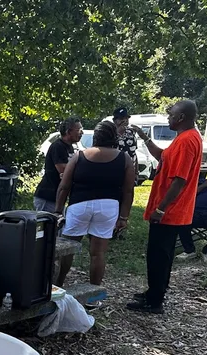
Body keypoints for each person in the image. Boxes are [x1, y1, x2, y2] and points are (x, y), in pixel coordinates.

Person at [127, 100, 203, 314]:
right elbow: (163, 157)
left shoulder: (187, 141)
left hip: (171, 211)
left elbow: (179, 179)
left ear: (181, 118)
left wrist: (160, 209)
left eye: (172, 114)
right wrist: (144, 138)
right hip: (172, 210)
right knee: (162, 254)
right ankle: (155, 291)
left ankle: (154, 301)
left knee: (158, 255)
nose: (168, 117)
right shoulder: (183, 138)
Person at [54, 121, 134, 286]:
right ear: (114, 136)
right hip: (108, 207)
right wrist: (124, 216)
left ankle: (58, 285)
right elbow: (128, 191)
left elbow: (64, 186)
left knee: (67, 249)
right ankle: (93, 295)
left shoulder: (80, 156)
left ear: (96, 137)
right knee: (98, 253)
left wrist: (58, 210)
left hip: (79, 205)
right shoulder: (124, 158)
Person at [33, 117, 84, 213]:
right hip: (47, 197)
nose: (82, 133)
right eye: (79, 130)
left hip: (57, 197)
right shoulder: (58, 146)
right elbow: (63, 170)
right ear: (68, 132)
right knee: (49, 226)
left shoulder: (69, 147)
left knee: (60, 225)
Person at [113, 107, 138, 185]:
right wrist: (118, 132)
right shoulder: (110, 132)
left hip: (130, 170)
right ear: (114, 120)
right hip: (115, 170)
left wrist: (136, 171)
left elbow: (134, 152)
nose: (124, 121)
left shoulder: (131, 132)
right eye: (121, 119)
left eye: (126, 118)